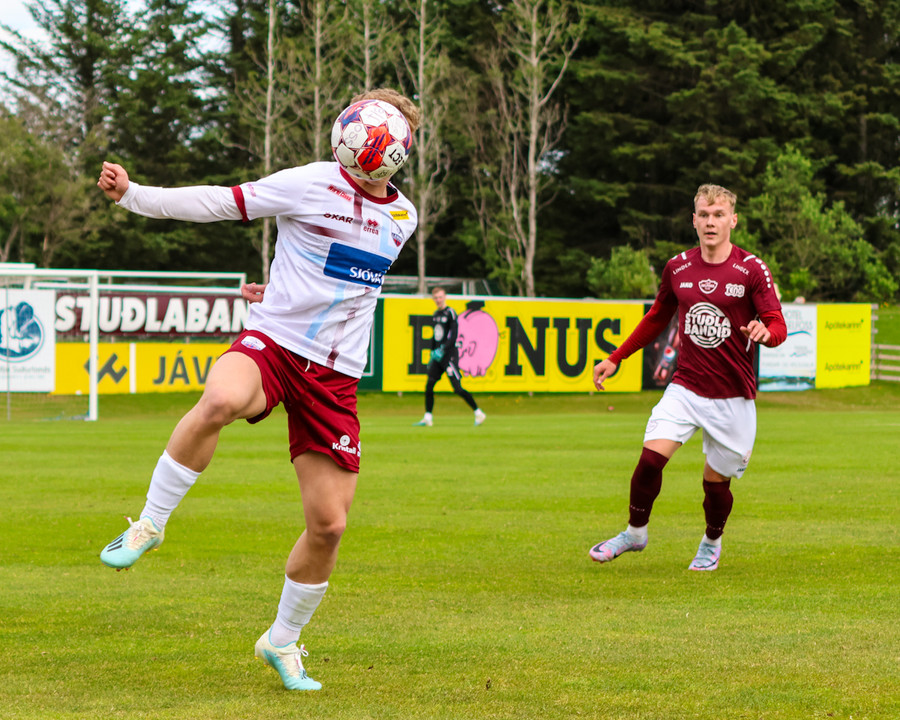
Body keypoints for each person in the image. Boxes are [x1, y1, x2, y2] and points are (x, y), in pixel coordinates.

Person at [95, 88, 420, 691]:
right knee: (220, 399)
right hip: (274, 344)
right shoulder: (309, 182)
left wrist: (280, 287)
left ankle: (282, 641)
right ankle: (150, 524)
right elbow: (220, 201)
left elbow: (353, 287)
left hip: (335, 379)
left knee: (329, 526)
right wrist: (134, 194)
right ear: (347, 135)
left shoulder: (405, 218)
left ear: (396, 149)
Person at [589, 184, 787, 571]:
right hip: (686, 387)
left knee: (715, 484)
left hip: (733, 396)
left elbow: (777, 323)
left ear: (733, 220)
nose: (711, 222)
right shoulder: (678, 267)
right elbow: (657, 318)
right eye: (704, 215)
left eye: (719, 215)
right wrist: (616, 357)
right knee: (650, 460)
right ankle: (635, 533)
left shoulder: (752, 269)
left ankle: (712, 541)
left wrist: (767, 333)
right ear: (694, 220)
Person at [414, 286, 486, 427]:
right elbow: (436, 335)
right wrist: (432, 352)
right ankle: (428, 417)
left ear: (445, 297)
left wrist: (443, 349)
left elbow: (453, 336)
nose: (438, 300)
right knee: (429, 385)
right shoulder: (436, 314)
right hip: (438, 357)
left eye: (440, 297)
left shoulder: (450, 313)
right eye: (436, 298)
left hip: (449, 357)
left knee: (457, 388)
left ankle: (478, 413)